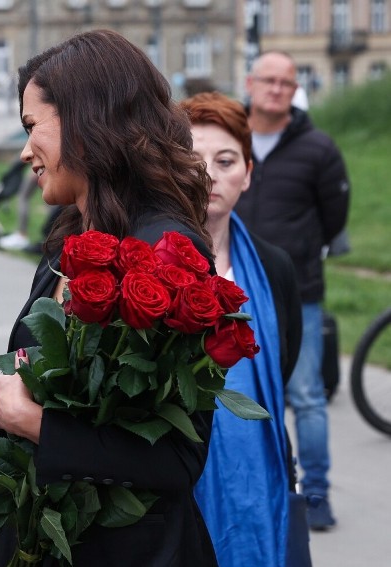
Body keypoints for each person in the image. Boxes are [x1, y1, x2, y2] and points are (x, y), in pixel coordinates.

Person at [0, 29, 218, 566]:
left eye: (32, 127)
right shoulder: (67, 242)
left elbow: (179, 459)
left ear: (89, 120)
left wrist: (35, 423)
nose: (24, 151)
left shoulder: (166, 252)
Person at [181, 91, 309, 566]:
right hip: (176, 479)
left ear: (248, 173)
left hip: (261, 474)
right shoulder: (149, 264)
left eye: (226, 159)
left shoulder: (274, 268)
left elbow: (283, 362)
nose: (210, 174)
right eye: (192, 159)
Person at [235, 50, 350, 531]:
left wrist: (301, 251)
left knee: (305, 394)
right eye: (269, 80)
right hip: (235, 291)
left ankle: (316, 491)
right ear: (250, 83)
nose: (277, 89)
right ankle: (257, 485)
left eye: (287, 82)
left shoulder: (318, 148)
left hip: (298, 288)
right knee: (244, 394)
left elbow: (334, 218)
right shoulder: (230, 137)